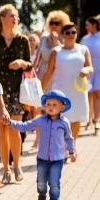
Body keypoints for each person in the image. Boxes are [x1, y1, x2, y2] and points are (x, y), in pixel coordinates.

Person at [2, 90, 76, 200]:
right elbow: (25, 126)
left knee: (54, 182)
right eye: (48, 104)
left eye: (54, 105)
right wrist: (10, 123)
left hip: (58, 159)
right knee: (41, 182)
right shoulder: (40, 120)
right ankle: (42, 194)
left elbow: (69, 138)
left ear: (62, 107)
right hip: (42, 158)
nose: (50, 107)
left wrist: (72, 152)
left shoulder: (64, 123)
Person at [0, 4, 32, 183]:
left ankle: (17, 164)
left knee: (15, 128)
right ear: (2, 19)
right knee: (1, 131)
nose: (15, 18)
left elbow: (30, 64)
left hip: (16, 89)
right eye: (11, 15)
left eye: (16, 16)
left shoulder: (22, 40)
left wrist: (22, 62)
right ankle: (5, 168)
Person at [40, 22, 92, 154]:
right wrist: (40, 92)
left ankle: (71, 146)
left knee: (75, 120)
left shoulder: (83, 49)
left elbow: (90, 66)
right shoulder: (56, 52)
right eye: (67, 33)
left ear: (77, 34)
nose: (70, 35)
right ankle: (61, 148)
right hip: (60, 92)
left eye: (73, 32)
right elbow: (48, 73)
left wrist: (86, 70)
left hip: (78, 91)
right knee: (60, 120)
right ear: (62, 35)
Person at [32, 10, 70, 149]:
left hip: (56, 75)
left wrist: (56, 42)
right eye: (52, 23)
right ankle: (38, 138)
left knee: (53, 107)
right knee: (39, 106)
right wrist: (33, 71)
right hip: (42, 72)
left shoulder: (64, 38)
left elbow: (63, 55)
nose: (54, 26)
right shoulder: (43, 38)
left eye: (57, 23)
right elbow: (38, 56)